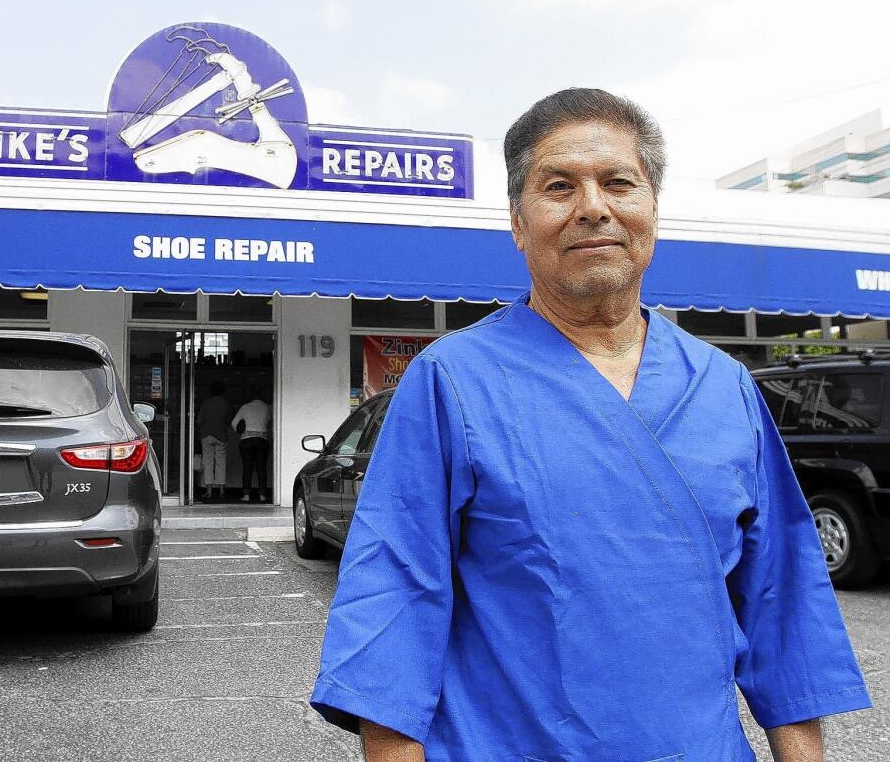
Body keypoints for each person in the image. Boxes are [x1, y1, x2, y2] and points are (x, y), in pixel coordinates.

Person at [311, 89, 870, 761]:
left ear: (651, 210)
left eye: (617, 182)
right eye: (559, 186)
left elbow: (782, 608)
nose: (593, 206)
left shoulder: (724, 388)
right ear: (519, 223)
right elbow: (395, 608)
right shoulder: (451, 382)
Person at [232, 391, 271, 502]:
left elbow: (234, 423)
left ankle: (246, 495)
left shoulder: (245, 407)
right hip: (262, 440)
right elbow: (271, 420)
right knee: (261, 468)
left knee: (247, 468)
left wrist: (239, 433)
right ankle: (262, 495)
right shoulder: (267, 407)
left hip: (247, 440)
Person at [195, 381, 231, 500]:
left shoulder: (206, 403)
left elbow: (199, 421)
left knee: (208, 462)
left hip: (207, 435)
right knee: (221, 462)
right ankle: (221, 490)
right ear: (223, 391)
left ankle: (209, 491)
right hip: (221, 436)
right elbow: (229, 421)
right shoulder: (225, 404)